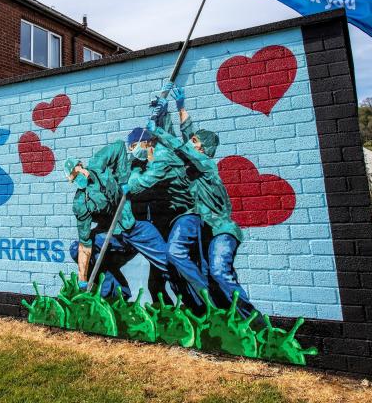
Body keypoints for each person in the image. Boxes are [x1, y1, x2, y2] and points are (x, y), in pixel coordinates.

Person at [150, 85, 257, 321]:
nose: (192, 142)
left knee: (220, 272)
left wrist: (158, 129)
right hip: (206, 231)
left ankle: (254, 321)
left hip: (222, 230)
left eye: (196, 141)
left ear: (203, 149)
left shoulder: (207, 166)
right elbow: (187, 137)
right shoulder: (196, 163)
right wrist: (175, 108)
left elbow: (182, 146)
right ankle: (225, 315)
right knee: (213, 275)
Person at [122, 124, 209, 314]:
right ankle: (179, 311)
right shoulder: (154, 156)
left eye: (133, 146)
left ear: (147, 142)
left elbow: (138, 185)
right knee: (159, 278)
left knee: (175, 259)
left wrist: (134, 171)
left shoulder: (162, 158)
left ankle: (206, 307)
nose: (132, 151)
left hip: (186, 216)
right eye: (130, 147)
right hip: (169, 220)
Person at [64, 157, 171, 300]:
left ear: (81, 165)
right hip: (113, 237)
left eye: (77, 174)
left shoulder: (104, 172)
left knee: (170, 263)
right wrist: (82, 280)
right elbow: (84, 243)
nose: (78, 180)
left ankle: (198, 298)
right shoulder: (81, 201)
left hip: (137, 229)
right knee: (76, 248)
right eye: (73, 179)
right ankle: (116, 294)